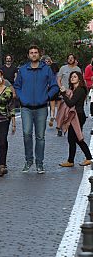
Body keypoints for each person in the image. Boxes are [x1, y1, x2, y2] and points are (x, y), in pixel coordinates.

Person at [14, 46, 59, 174]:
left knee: (40, 137)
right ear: (28, 55)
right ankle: (29, 161)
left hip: (41, 108)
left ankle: (40, 163)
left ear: (39, 54)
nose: (33, 55)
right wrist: (22, 98)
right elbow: (17, 86)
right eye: (31, 53)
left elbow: (54, 86)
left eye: (35, 53)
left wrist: (47, 96)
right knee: (27, 134)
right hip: (26, 108)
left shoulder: (46, 69)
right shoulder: (23, 70)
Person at [58, 71, 93, 168]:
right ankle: (73, 160)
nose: (72, 78)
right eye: (71, 77)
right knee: (74, 138)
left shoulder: (80, 90)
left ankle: (85, 158)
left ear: (79, 79)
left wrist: (64, 94)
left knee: (77, 138)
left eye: (74, 77)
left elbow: (70, 103)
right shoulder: (74, 89)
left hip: (78, 116)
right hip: (75, 116)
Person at [56, 54, 82, 137]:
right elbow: (58, 79)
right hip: (64, 92)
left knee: (71, 110)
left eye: (72, 58)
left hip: (74, 93)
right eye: (69, 58)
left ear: (75, 59)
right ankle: (59, 127)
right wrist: (61, 88)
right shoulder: (63, 68)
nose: (70, 59)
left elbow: (81, 80)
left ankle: (72, 126)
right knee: (61, 111)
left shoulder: (77, 69)